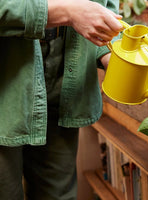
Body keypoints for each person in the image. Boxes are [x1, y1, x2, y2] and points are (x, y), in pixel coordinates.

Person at [0, 0, 123, 199]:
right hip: (6, 85)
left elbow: (106, 7)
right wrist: (67, 12)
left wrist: (110, 51)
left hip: (65, 86)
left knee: (58, 194)